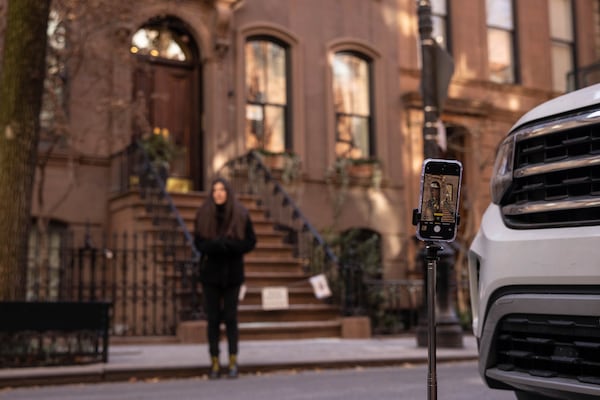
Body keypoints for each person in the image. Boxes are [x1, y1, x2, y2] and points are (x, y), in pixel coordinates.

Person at [194, 177, 256, 379]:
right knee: (212, 319)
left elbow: (250, 242)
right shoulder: (203, 214)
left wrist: (230, 246)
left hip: (233, 273)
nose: (218, 193)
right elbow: (199, 243)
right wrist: (215, 246)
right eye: (215, 190)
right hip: (210, 273)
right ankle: (214, 362)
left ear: (228, 192)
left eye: (222, 190)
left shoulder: (240, 214)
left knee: (230, 318)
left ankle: (232, 361)